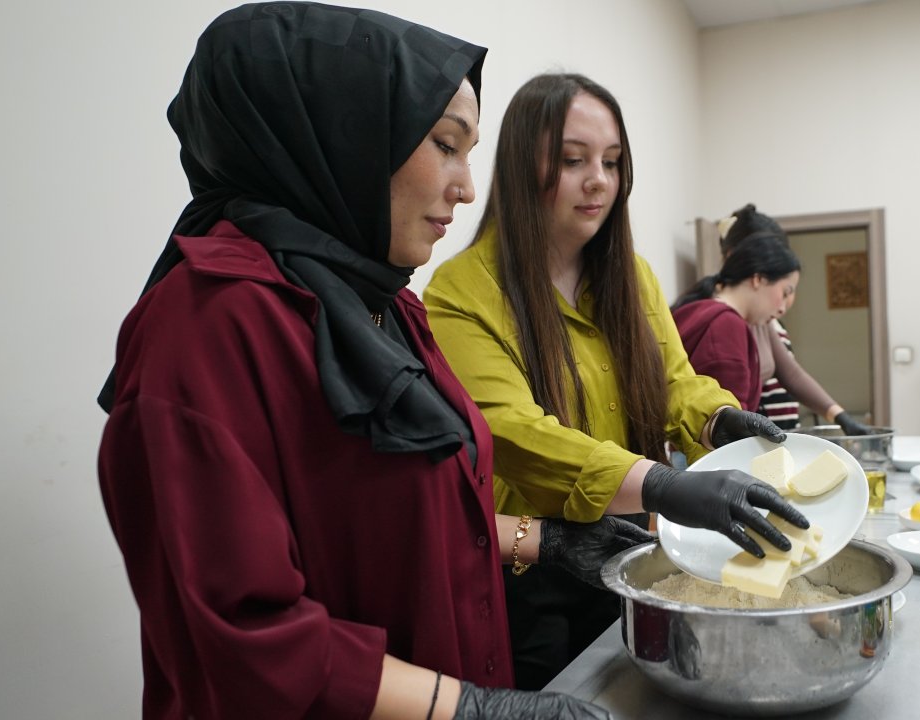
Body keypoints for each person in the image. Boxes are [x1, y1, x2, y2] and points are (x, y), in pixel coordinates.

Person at [95, 5, 645, 717]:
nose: (466, 186)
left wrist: (546, 541)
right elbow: (248, 638)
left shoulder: (383, 307)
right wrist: (473, 708)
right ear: (343, 133)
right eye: (446, 144)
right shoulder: (205, 330)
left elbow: (413, 517)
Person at [423, 73, 808, 689]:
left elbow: (673, 381)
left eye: (612, 161)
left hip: (630, 548)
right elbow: (510, 430)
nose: (598, 179)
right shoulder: (462, 291)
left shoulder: (630, 275)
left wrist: (717, 417)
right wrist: (658, 484)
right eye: (574, 160)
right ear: (525, 167)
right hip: (533, 569)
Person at [718, 204, 871, 434]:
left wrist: (840, 416)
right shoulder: (723, 319)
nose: (782, 307)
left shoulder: (761, 318)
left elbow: (790, 373)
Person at [672, 233, 801, 412]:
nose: (782, 309)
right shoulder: (726, 325)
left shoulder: (697, 309)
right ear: (758, 280)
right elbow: (730, 418)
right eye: (785, 293)